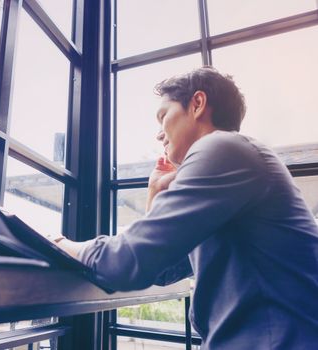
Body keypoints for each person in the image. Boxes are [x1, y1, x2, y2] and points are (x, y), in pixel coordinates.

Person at [50, 67, 318, 349]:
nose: (158, 134)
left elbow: (128, 262)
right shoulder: (232, 167)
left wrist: (62, 244)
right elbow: (161, 269)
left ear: (198, 104)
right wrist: (155, 193)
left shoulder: (223, 147)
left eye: (163, 116)